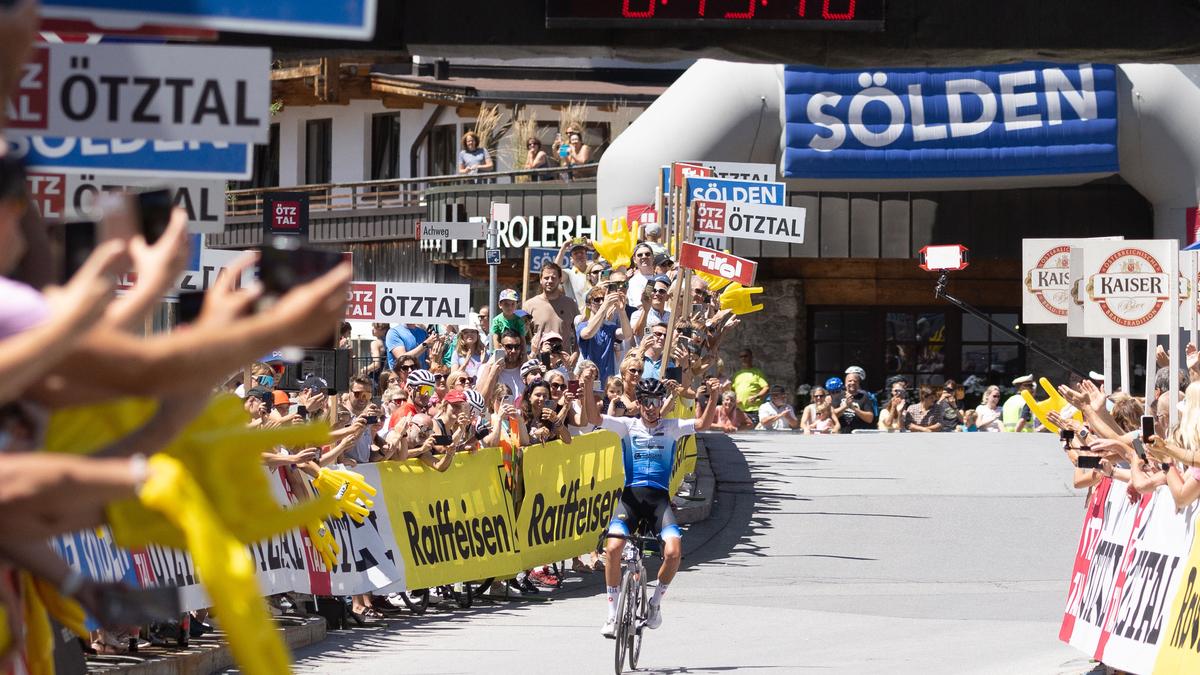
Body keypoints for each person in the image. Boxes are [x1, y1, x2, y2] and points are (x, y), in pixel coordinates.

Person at [582, 376, 719, 637]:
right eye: (646, 402)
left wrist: (711, 397)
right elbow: (594, 418)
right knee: (612, 549)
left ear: (660, 402)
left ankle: (655, 604)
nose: (651, 407)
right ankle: (612, 615)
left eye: (655, 401)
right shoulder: (627, 426)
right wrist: (587, 386)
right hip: (631, 500)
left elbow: (703, 424)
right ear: (639, 402)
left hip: (658, 502)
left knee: (673, 552)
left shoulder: (672, 427)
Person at [577, 283, 632, 385]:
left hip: (607, 384)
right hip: (588, 380)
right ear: (588, 305)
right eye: (597, 300)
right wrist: (605, 305)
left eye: (603, 299)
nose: (601, 302)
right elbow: (588, 333)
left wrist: (622, 311)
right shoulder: (582, 325)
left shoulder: (610, 326)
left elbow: (627, 335)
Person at [523, 262, 580, 355]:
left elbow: (579, 331)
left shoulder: (570, 304)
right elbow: (522, 336)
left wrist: (575, 354)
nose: (550, 281)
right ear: (541, 280)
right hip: (538, 363)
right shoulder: (529, 305)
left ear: (560, 279)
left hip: (564, 363)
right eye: (546, 278)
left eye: (553, 278)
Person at [630, 275, 672, 345]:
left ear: (667, 297)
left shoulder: (671, 316)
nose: (657, 293)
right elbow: (638, 334)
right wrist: (645, 311)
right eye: (654, 290)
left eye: (662, 291)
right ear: (648, 293)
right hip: (644, 354)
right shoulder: (637, 314)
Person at [731, 350, 769, 425]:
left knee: (753, 434)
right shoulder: (737, 374)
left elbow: (766, 388)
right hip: (739, 410)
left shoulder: (757, 372)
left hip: (754, 410)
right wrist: (734, 399)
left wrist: (756, 396)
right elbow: (732, 390)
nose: (743, 358)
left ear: (751, 357)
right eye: (741, 357)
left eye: (746, 356)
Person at [835, 366, 877, 433]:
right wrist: (845, 406)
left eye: (855, 381)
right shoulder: (838, 396)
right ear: (845, 383)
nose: (852, 383)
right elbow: (832, 415)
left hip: (859, 435)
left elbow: (870, 419)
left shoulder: (864, 396)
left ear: (858, 383)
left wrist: (854, 408)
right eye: (850, 381)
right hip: (841, 434)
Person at [555, 237, 593, 308]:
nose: (579, 255)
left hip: (596, 316)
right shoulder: (569, 273)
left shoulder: (594, 271)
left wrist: (594, 246)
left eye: (582, 252)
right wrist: (563, 248)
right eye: (575, 253)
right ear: (571, 259)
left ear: (586, 256)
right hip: (576, 316)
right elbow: (555, 271)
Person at [626, 243, 656, 309]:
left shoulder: (659, 278)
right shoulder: (634, 282)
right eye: (640, 255)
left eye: (647, 254)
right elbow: (641, 305)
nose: (644, 256)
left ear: (653, 257)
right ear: (634, 260)